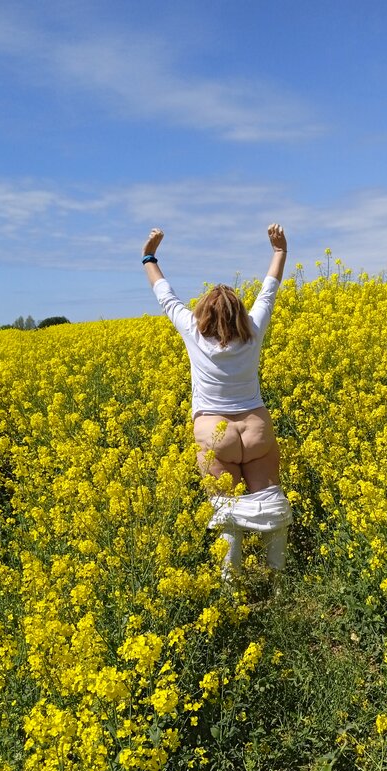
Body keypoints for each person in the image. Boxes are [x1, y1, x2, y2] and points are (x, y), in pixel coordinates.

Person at [142, 224, 292, 580]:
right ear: (239, 313)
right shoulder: (253, 331)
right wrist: (279, 251)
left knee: (228, 514)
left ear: (203, 313)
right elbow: (268, 292)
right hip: (255, 429)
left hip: (215, 433)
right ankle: (279, 583)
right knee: (270, 505)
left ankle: (230, 587)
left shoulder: (193, 332)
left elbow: (165, 295)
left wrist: (149, 256)